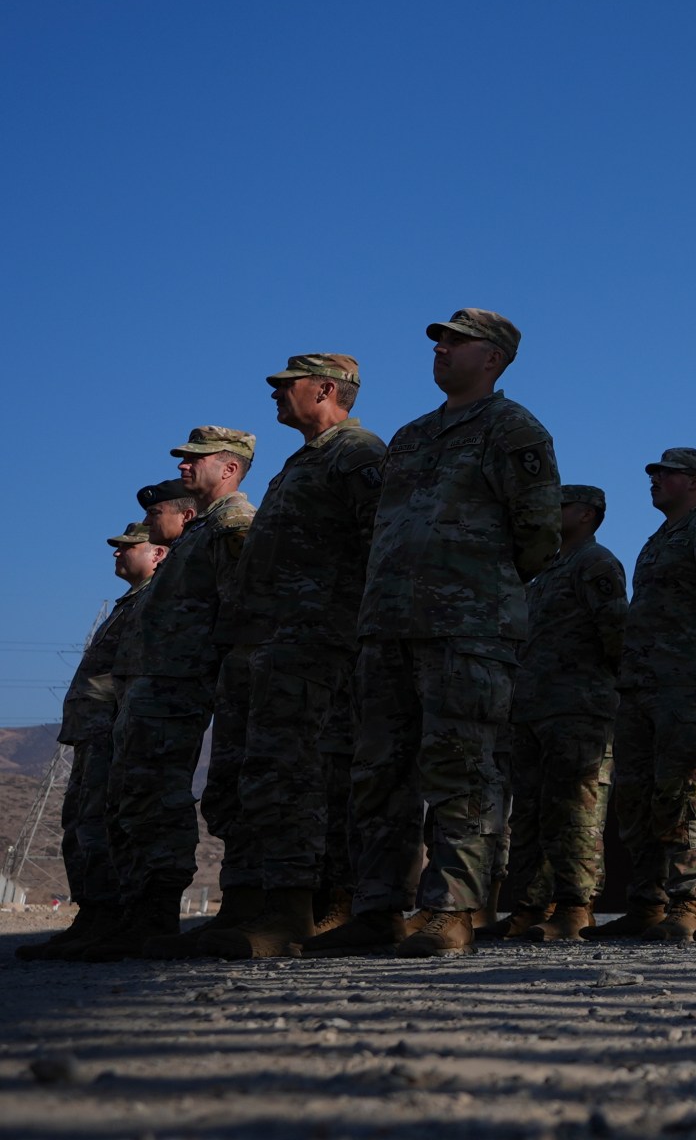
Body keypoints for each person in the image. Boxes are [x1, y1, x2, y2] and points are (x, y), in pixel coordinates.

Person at [317, 309, 559, 958]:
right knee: (379, 771)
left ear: (495, 358)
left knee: (460, 769)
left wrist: (478, 590)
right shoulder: (411, 436)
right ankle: (375, 909)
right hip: (388, 627)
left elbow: (538, 534)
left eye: (457, 341)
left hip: (467, 629)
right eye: (438, 341)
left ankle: (450, 912)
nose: (442, 349)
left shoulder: (513, 429)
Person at [198, 355, 386, 960]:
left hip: (320, 638)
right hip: (279, 641)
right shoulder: (303, 461)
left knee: (295, 770)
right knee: (268, 770)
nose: (275, 394)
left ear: (326, 390)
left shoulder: (356, 453)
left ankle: (292, 910)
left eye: (287, 386)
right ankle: (260, 902)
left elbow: (378, 540)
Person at [83, 427, 258, 962]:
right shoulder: (201, 533)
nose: (182, 467)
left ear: (228, 468)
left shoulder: (233, 526)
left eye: (194, 459)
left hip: (183, 685)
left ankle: (155, 914)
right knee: (134, 797)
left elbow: (241, 608)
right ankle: (134, 915)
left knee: (158, 796)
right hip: (153, 685)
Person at [590, 448, 696, 943]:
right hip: (641, 688)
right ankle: (647, 902)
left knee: (685, 793)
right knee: (637, 797)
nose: (654, 479)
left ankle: (687, 903)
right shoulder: (657, 541)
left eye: (666, 473)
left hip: (690, 686)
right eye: (655, 473)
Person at [18, 523, 163, 961]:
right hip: (92, 731)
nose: (116, 556)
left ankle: (109, 915)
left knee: (100, 822)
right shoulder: (127, 604)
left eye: (127, 549)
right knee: (79, 822)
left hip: (113, 728)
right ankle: (92, 915)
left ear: (157, 555)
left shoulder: (154, 603)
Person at [495, 483, 624, 943]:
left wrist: (595, 687)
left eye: (561, 506)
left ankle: (576, 905)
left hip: (577, 706)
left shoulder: (596, 563)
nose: (551, 513)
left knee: (576, 808)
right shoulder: (546, 571)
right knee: (530, 812)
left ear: (587, 513)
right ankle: (530, 905)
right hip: (533, 707)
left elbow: (615, 633)